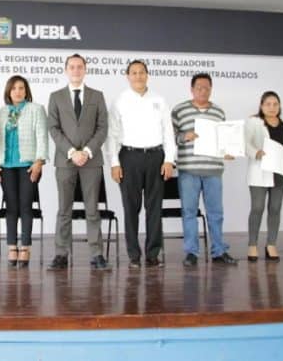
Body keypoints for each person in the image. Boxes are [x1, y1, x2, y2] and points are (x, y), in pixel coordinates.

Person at [108, 60, 175, 269]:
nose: (138, 76)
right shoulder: (120, 101)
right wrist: (114, 163)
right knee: (131, 208)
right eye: (134, 73)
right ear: (128, 76)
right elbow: (112, 135)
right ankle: (134, 255)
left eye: (141, 72)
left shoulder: (159, 100)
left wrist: (169, 160)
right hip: (129, 157)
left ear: (147, 75)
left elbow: (168, 131)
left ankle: (153, 254)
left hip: (156, 157)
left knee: (154, 208)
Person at [47, 54, 109, 270]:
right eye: (72, 67)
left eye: (79, 67)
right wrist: (72, 152)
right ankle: (61, 254)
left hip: (91, 161)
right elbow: (53, 128)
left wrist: (87, 151)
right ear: (66, 70)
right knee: (64, 209)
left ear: (85, 69)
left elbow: (102, 128)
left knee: (92, 209)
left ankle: (97, 254)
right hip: (65, 160)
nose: (76, 70)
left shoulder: (97, 96)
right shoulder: (56, 97)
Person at [171, 72, 237, 267]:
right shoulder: (179, 110)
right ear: (192, 89)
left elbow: (224, 140)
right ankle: (191, 252)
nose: (203, 91)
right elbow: (170, 137)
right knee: (189, 212)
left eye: (207, 88)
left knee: (216, 213)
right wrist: (184, 136)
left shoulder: (219, 112)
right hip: (188, 170)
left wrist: (228, 151)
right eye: (199, 87)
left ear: (211, 89)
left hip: (213, 170)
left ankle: (219, 251)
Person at [0, 75, 48, 268]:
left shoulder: (36, 109)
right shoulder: (1, 113)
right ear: (8, 91)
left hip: (28, 165)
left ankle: (25, 247)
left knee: (25, 206)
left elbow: (42, 136)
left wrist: (39, 161)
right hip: (6, 166)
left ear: (26, 91)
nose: (17, 91)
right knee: (11, 207)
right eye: (14, 88)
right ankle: (12, 246)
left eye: (21, 88)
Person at [244, 91, 283, 262]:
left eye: (275, 104)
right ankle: (252, 244)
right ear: (261, 106)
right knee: (257, 207)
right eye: (268, 104)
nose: (272, 107)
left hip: (280, 172)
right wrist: (255, 152)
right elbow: (246, 143)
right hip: (260, 171)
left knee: (275, 208)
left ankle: (271, 244)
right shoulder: (254, 122)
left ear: (279, 106)